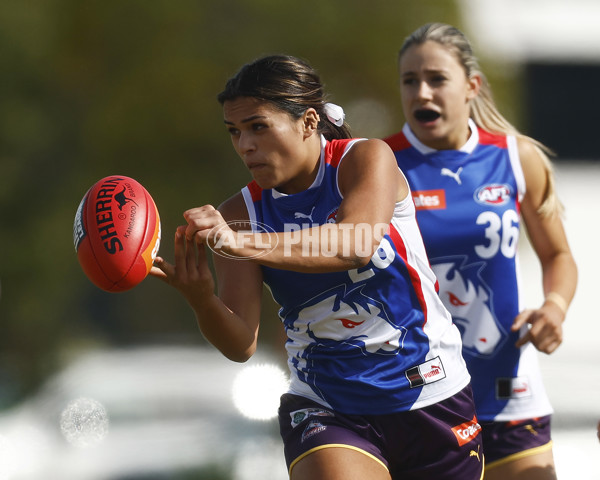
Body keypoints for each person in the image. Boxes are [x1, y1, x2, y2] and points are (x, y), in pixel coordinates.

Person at [151, 54, 484, 479]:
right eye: (234, 132)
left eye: (258, 126)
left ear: (309, 122)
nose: (245, 145)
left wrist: (241, 243)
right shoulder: (238, 212)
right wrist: (202, 301)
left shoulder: (364, 160)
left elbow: (356, 244)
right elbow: (240, 344)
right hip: (327, 406)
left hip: (431, 394)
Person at [383, 23, 578, 480]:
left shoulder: (516, 157)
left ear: (471, 86)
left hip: (509, 385)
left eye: (436, 78)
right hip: (420, 396)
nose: (421, 92)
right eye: (409, 80)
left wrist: (554, 307)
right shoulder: (378, 163)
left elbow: (558, 256)